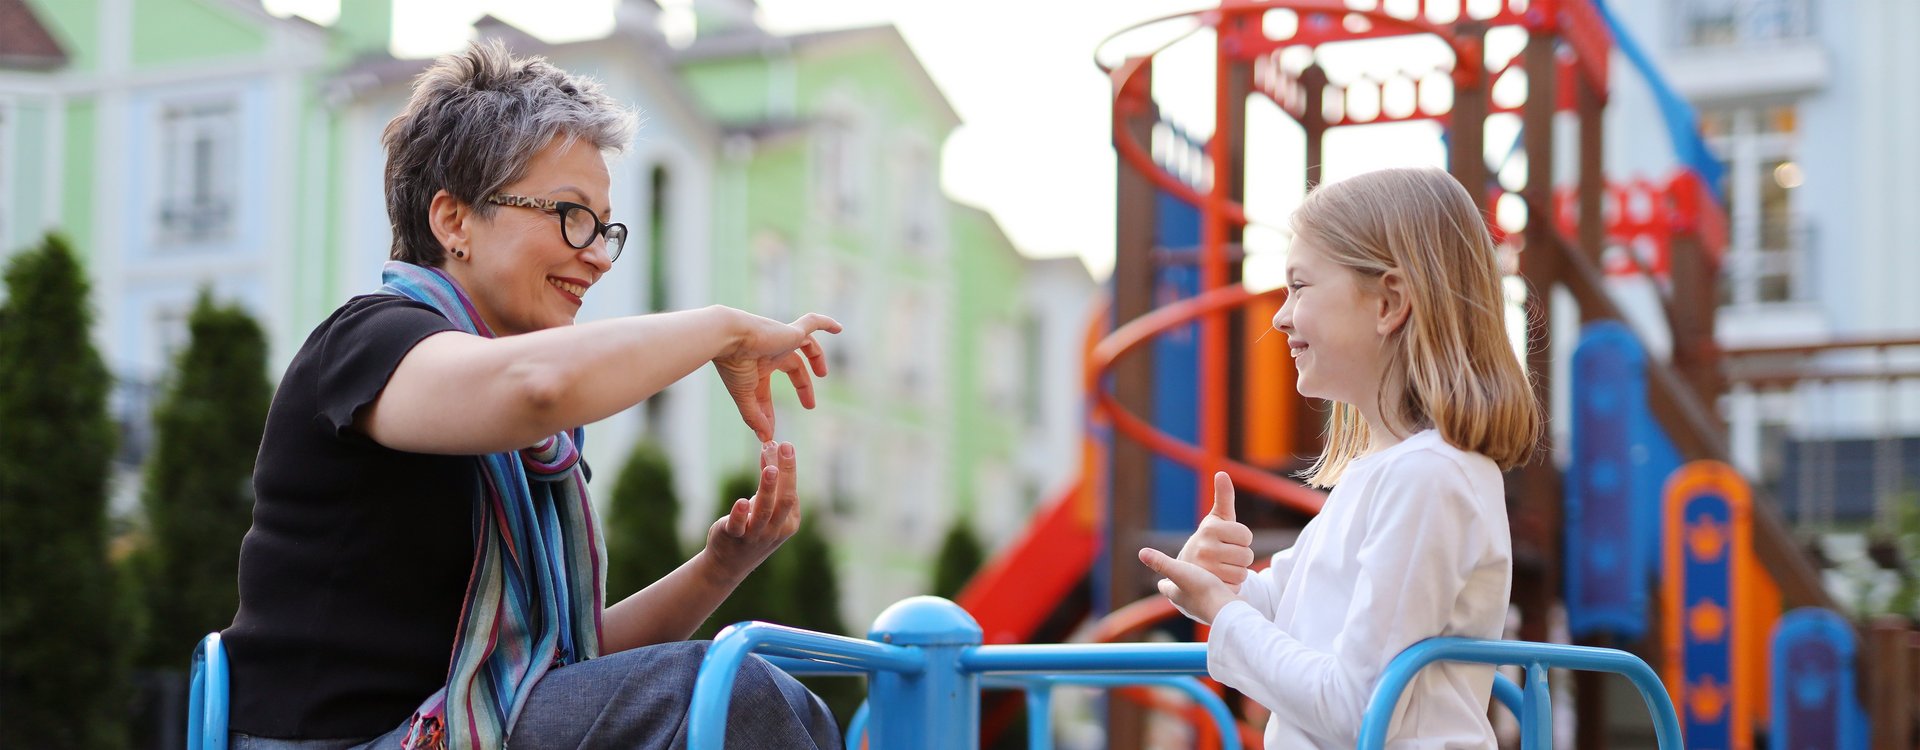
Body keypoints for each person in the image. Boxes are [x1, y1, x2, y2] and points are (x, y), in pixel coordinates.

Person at [222, 41, 842, 750]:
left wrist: (719, 568)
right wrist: (722, 328)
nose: (600, 253)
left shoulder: (536, 440)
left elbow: (570, 668)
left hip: (466, 728)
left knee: (780, 697)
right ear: (453, 221)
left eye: (606, 227)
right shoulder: (368, 342)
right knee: (731, 691)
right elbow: (540, 384)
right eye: (571, 216)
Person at [1138, 167, 1542, 748]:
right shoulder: (1387, 471)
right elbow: (1289, 608)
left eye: (1299, 287)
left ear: (1389, 302)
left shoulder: (1428, 477)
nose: (1279, 316)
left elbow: (1358, 709)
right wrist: (1207, 580)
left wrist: (1224, 613)